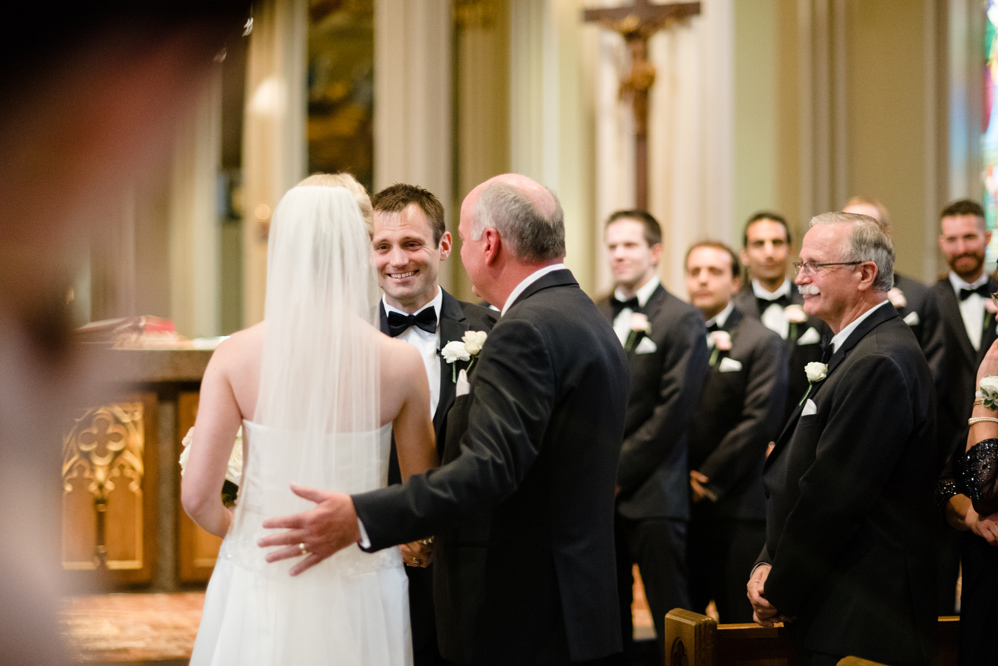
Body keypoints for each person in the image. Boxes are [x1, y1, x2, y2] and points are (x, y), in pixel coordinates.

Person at [259, 173, 629, 666]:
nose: (396, 259)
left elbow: (490, 469)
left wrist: (363, 516)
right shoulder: (586, 317)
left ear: (487, 244)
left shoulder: (522, 330)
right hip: (575, 598)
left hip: (528, 607)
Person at [182, 174, 437, 665]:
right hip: (363, 578)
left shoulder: (235, 356)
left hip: (262, 569)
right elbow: (420, 494)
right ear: (362, 246)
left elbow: (196, 497)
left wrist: (240, 528)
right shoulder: (400, 364)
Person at [747, 212, 936, 666]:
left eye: (815, 266)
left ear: (864, 274)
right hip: (833, 603)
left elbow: (833, 495)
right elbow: (801, 472)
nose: (801, 278)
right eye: (800, 266)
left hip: (861, 616)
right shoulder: (852, 349)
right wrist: (765, 560)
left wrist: (779, 587)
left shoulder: (879, 360)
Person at [371, 183, 495, 666]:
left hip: (463, 551)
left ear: (444, 246)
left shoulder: (492, 330)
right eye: (382, 247)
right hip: (375, 551)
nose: (396, 259)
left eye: (411, 243)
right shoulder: (348, 338)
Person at [594, 209, 707, 660]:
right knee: (608, 611)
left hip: (656, 491)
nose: (619, 254)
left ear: (655, 252)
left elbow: (675, 409)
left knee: (672, 613)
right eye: (612, 245)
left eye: (629, 245)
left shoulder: (682, 318)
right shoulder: (594, 310)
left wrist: (617, 471)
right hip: (600, 495)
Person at [841, 196, 957, 614]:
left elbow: (936, 370)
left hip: (908, 439)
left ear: (886, 236)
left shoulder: (923, 296)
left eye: (870, 227)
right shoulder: (835, 301)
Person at [683, 241, 787, 623]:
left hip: (739, 503)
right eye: (695, 272)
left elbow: (760, 419)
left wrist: (706, 475)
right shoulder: (680, 336)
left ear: (735, 279)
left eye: (714, 271)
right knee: (687, 620)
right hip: (684, 505)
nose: (703, 279)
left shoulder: (761, 341)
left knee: (738, 619)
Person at [732, 212, 830, 421]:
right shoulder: (734, 311)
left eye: (776, 243)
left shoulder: (817, 304)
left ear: (790, 249)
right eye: (759, 244)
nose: (769, 253)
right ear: (745, 255)